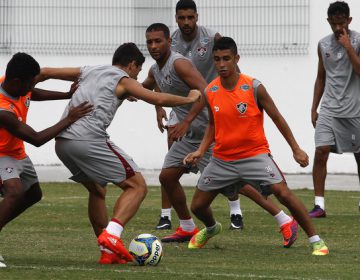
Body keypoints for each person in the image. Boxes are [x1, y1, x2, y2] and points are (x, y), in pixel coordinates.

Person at [37, 43, 201, 265]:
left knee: (97, 190)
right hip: (87, 139)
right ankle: (112, 235)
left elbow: (45, 72)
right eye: (138, 72)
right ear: (132, 64)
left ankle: (108, 252)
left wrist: (11, 92)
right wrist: (190, 99)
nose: (137, 77)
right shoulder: (123, 79)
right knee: (137, 186)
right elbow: (158, 99)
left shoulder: (89, 70)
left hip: (63, 143)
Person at [143, 23, 299, 248]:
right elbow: (147, 87)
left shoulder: (179, 64)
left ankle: (284, 220)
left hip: (206, 133)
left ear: (169, 41)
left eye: (158, 41)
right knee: (167, 177)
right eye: (150, 42)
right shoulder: (156, 69)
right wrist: (124, 89)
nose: (153, 46)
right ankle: (187, 227)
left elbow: (203, 92)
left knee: (236, 185)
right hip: (188, 137)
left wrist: (186, 121)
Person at [184, 37, 329, 256]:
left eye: (226, 59)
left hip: (255, 156)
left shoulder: (253, 87)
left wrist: (296, 148)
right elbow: (213, 125)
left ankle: (316, 241)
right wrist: (201, 151)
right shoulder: (210, 91)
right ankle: (212, 228)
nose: (221, 64)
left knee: (283, 194)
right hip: (222, 160)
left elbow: (277, 118)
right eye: (217, 60)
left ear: (236, 59)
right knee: (197, 206)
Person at [154, 0, 243, 231]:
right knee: (169, 166)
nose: (186, 22)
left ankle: (236, 211)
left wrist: (235, 100)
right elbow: (157, 74)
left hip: (212, 107)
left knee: (224, 164)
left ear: (197, 16)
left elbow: (231, 69)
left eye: (190, 17)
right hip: (184, 109)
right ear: (176, 18)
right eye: (181, 17)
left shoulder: (211, 37)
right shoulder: (169, 42)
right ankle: (167, 216)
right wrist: (159, 106)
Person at [0, 52, 93, 268]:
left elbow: (33, 93)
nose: (32, 86)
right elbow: (37, 138)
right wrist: (70, 118)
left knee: (33, 194)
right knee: (14, 192)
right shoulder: (3, 111)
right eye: (30, 82)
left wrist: (66, 95)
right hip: (2, 154)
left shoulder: (11, 82)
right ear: (17, 82)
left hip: (16, 152)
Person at [309, 1, 360, 218]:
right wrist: (314, 107)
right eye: (334, 23)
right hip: (329, 108)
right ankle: (319, 205)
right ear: (329, 22)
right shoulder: (323, 44)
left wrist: (348, 46)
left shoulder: (358, 41)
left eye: (342, 23)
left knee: (359, 156)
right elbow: (321, 77)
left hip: (354, 110)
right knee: (321, 151)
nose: (338, 28)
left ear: (349, 20)